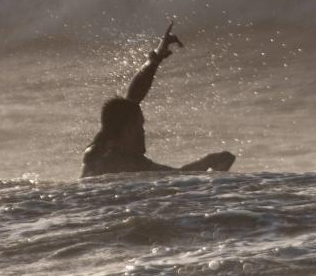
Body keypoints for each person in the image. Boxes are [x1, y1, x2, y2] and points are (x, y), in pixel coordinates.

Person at [81, 22, 235, 177]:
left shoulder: (99, 148)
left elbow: (132, 100)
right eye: (140, 126)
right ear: (128, 130)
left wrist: (155, 59)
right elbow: (178, 177)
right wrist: (209, 161)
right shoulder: (126, 162)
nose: (143, 131)